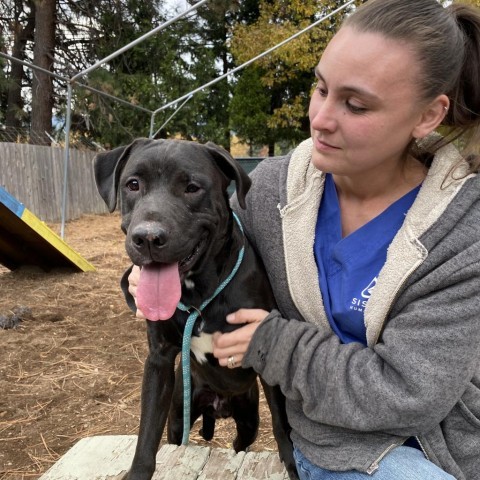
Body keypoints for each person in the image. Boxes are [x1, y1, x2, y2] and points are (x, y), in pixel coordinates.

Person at [128, 0, 480, 478]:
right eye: (320, 88)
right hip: (335, 441)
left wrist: (274, 345)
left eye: (355, 104)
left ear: (428, 116)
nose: (320, 119)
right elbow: (195, 238)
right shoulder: (271, 191)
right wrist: (143, 278)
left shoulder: (463, 232)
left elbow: (409, 392)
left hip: (447, 442)